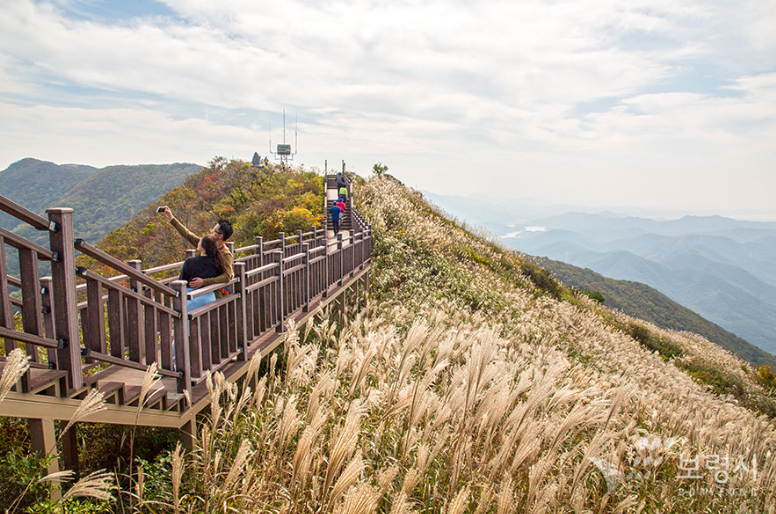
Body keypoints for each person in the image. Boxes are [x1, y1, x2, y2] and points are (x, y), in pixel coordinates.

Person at [158, 206, 234, 297]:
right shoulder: (206, 245)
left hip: (213, 295)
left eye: (214, 231)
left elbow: (226, 276)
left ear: (220, 236)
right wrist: (171, 218)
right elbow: (187, 234)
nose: (211, 232)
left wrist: (204, 282)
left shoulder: (225, 254)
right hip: (198, 293)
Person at [180, 236, 225, 310]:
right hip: (210, 298)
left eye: (200, 242)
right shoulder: (217, 262)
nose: (198, 243)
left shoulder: (190, 262)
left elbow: (182, 281)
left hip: (192, 299)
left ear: (203, 248)